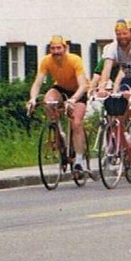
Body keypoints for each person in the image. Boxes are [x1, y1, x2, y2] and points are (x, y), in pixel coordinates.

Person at [27, 35, 88, 170]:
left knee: (76, 123)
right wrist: (32, 99)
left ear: (65, 49)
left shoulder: (74, 60)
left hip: (78, 91)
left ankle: (79, 160)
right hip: (61, 87)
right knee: (48, 101)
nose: (56, 52)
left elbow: (83, 85)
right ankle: (58, 129)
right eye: (53, 48)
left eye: (59, 48)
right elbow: (37, 83)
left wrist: (73, 100)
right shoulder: (46, 61)